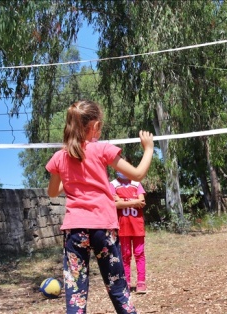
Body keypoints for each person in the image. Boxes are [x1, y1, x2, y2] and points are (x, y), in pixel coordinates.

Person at [45, 100, 154, 314]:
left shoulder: (60, 156)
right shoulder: (102, 149)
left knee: (75, 292)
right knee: (117, 286)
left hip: (75, 230)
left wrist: (69, 179)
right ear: (95, 126)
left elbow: (52, 192)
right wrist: (148, 148)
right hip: (103, 228)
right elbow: (138, 174)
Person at [110, 171, 147, 294]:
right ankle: (126, 282)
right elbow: (115, 204)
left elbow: (141, 202)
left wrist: (123, 202)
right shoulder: (113, 185)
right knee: (125, 256)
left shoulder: (137, 184)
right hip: (123, 227)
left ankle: (141, 282)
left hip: (137, 226)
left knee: (139, 253)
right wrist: (133, 202)